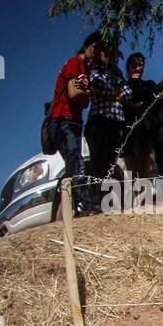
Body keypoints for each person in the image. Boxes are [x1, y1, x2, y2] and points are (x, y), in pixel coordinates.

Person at [47, 33, 99, 214]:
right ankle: (89, 207)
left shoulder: (85, 68)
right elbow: (73, 94)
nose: (97, 53)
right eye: (96, 48)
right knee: (77, 164)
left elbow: (82, 101)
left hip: (74, 121)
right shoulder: (74, 63)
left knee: (73, 165)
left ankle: (72, 209)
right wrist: (89, 94)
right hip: (63, 120)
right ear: (89, 46)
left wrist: (85, 94)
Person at [86, 38, 131, 207]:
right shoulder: (93, 70)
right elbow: (98, 85)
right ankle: (98, 202)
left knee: (110, 163)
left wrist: (117, 93)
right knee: (98, 163)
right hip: (98, 121)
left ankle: (109, 201)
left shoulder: (117, 73)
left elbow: (127, 93)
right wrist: (116, 93)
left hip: (115, 122)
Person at [122, 53, 157, 179]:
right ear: (128, 67)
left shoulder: (149, 85)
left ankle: (143, 195)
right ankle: (136, 195)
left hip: (146, 129)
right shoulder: (123, 86)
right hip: (128, 130)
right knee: (132, 167)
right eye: (134, 65)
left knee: (145, 164)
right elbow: (121, 102)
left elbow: (152, 102)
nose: (137, 68)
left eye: (140, 65)